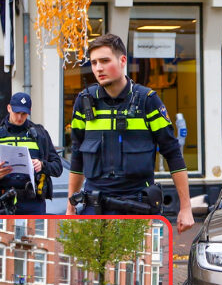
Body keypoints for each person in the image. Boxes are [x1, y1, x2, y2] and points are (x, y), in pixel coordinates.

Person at [66, 33, 195, 232]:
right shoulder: (84, 102)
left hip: (138, 207)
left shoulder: (148, 101)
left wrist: (186, 208)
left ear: (122, 60)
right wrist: (70, 207)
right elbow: (77, 156)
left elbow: (173, 153)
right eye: (93, 62)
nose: (98, 68)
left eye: (105, 61)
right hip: (94, 208)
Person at [0, 92, 63, 215]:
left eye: (24, 114)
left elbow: (58, 168)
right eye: (17, 113)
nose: (20, 117)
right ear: (9, 108)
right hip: (1, 200)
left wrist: (42, 165)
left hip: (33, 202)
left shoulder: (40, 135)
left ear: (29, 111)